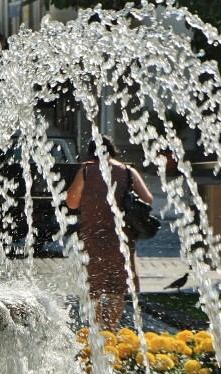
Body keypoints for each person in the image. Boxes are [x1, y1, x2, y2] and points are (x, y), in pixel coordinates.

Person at [65, 137, 154, 331]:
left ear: (91, 153)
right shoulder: (128, 171)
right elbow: (148, 198)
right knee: (117, 290)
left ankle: (96, 333)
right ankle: (110, 333)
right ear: (113, 151)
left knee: (94, 289)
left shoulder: (87, 171)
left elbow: (71, 203)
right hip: (120, 237)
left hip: (92, 236)